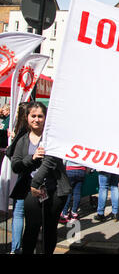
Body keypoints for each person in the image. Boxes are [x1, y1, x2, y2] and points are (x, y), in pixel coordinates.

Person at [11, 102, 71, 254]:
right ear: (27, 117)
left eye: (40, 116)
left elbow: (49, 162)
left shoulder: (51, 138)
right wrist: (32, 158)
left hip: (54, 190)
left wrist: (36, 182)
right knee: (31, 227)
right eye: (33, 116)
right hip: (31, 191)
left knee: (49, 229)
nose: (36, 119)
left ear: (45, 118)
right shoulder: (23, 140)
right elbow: (16, 165)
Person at [7, 102, 30, 254]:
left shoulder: (23, 131)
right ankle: (21, 246)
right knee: (27, 215)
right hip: (27, 178)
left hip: (24, 178)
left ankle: (17, 247)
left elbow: (11, 153)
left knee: (20, 213)